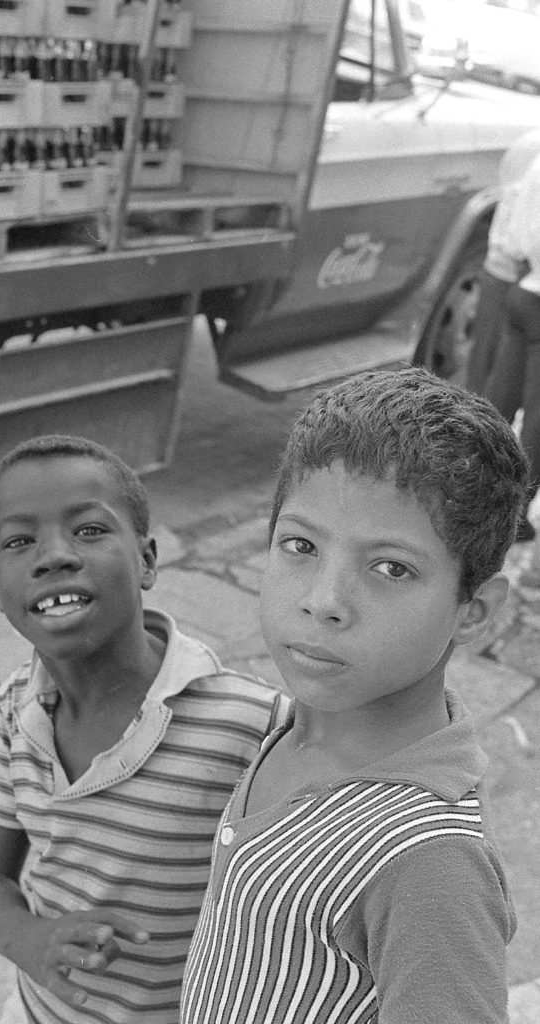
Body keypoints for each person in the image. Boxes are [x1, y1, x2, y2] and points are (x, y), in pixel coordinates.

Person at [180, 367, 528, 1024]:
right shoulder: (294, 725)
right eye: (300, 545)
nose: (323, 600)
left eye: (391, 568)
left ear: (475, 612)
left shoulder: (426, 862)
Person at [0, 434, 289, 1024]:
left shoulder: (250, 726)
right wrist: (34, 942)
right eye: (19, 541)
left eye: (89, 530)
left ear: (147, 561)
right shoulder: (19, 707)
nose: (53, 556)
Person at [483, 147, 540, 542]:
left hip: (523, 294)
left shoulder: (537, 161)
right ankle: (515, 516)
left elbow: (516, 242)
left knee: (498, 401)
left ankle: (469, 492)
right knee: (538, 417)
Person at [467, 126, 540, 396]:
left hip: (513, 270)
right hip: (511, 271)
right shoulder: (532, 147)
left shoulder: (530, 145)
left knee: (498, 379)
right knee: (489, 375)